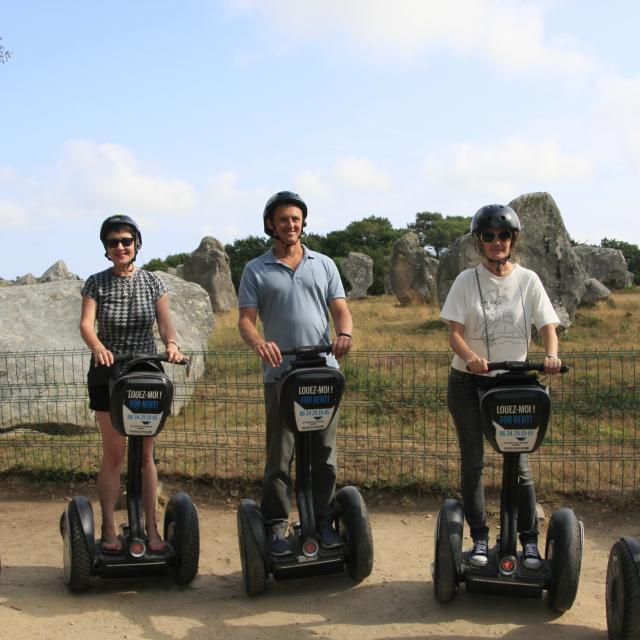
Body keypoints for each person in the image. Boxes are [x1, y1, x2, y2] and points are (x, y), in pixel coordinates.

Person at [440, 204, 562, 570]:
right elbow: (455, 335)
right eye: (489, 236)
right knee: (474, 463)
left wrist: (552, 356)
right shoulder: (466, 280)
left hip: (513, 384)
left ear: (513, 240)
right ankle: (478, 536)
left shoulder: (528, 280)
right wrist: (472, 357)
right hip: (468, 382)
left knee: (519, 465)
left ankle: (527, 541)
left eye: (504, 235)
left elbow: (547, 328)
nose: (497, 242)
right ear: (480, 241)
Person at [237, 191, 353, 556]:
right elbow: (245, 321)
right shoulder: (256, 268)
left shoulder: (324, 264)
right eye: (283, 219)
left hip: (321, 371)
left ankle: (321, 522)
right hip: (280, 374)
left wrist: (345, 333)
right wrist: (260, 344)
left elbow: (340, 310)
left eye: (296, 218)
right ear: (271, 224)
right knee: (280, 455)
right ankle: (275, 526)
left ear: (303, 222)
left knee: (323, 454)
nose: (291, 224)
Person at [79, 214, 183, 554]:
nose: (120, 247)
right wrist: (98, 347)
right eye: (113, 243)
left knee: (146, 456)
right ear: (106, 249)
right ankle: (109, 526)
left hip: (144, 372)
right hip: (108, 372)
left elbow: (166, 325)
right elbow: (86, 325)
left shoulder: (153, 282)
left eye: (126, 241)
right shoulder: (95, 283)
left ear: (136, 243)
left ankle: (151, 528)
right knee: (115, 454)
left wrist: (172, 345)